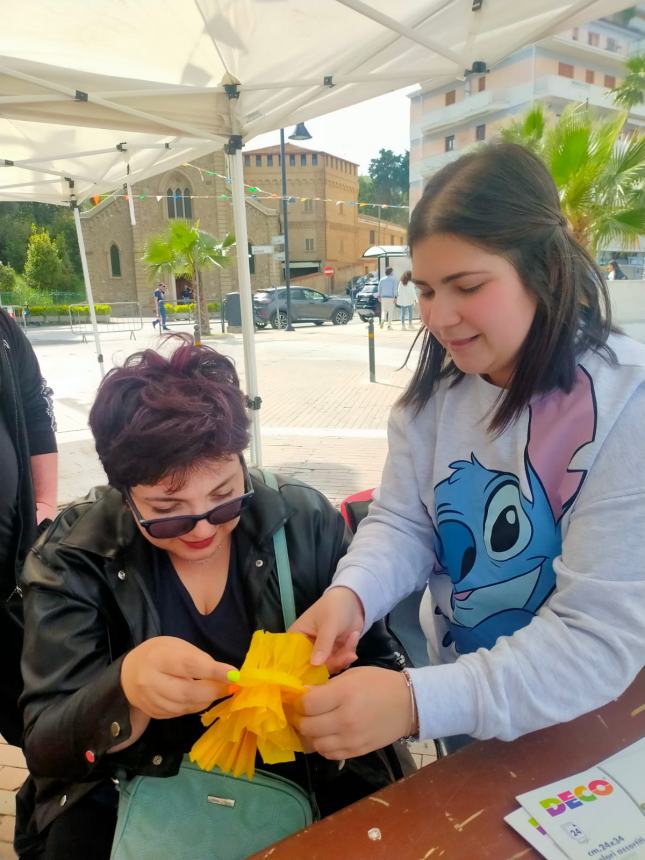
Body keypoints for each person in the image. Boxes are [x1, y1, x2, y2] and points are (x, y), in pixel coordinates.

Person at [292, 142, 645, 763]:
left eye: (467, 286)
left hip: (598, 718)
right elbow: (405, 522)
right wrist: (351, 595)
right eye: (425, 289)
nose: (440, 316)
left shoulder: (626, 405)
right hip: (465, 705)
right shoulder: (434, 401)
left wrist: (412, 704)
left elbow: (595, 637)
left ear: (547, 273)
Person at [19, 338, 411, 860]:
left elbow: (381, 662)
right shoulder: (75, 554)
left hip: (306, 790)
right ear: (123, 491)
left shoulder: (303, 521)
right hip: (128, 804)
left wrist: (353, 706)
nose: (203, 527)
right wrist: (124, 689)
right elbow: (47, 746)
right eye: (169, 508)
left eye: (225, 495)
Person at [0, 307, 57, 748]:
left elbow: (36, 407)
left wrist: (43, 502)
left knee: (31, 723)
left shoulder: (2, 327)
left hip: (8, 576)